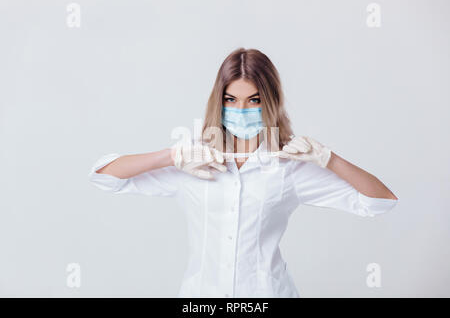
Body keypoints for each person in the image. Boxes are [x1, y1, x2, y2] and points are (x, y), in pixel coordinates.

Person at [88, 48, 398, 298]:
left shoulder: (288, 165)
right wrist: (171, 156)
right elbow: (104, 175)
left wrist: (329, 159)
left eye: (254, 100)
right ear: (219, 100)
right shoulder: (193, 161)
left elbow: (379, 201)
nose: (241, 109)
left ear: (270, 102)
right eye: (231, 99)